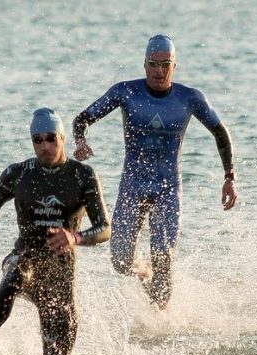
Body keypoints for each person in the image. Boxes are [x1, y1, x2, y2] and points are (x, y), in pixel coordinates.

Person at [72, 34, 237, 309]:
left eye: (165, 64)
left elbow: (220, 133)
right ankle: (142, 272)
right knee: (120, 260)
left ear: (175, 66)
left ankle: (160, 320)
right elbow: (83, 118)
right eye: (153, 64)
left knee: (163, 257)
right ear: (144, 64)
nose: (159, 71)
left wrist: (229, 177)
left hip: (167, 188)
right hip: (133, 185)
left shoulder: (190, 98)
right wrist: (80, 141)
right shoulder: (125, 92)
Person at [0, 108, 111, 355]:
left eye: (51, 138)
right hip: (24, 256)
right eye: (38, 140)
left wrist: (75, 237)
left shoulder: (82, 175)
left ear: (62, 139)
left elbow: (105, 228)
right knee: (17, 273)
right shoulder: (18, 173)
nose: (45, 146)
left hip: (61, 274)